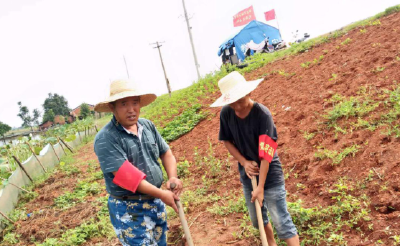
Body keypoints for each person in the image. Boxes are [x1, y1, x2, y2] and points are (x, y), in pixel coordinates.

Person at [210, 71, 300, 246]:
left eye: (239, 99)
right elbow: (226, 141)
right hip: (248, 174)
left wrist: (260, 187)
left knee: (282, 222)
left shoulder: (262, 115)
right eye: (232, 101)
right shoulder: (226, 114)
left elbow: (266, 154)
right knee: (257, 219)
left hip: (269, 173)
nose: (237, 105)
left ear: (248, 93)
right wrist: (243, 162)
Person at [93, 79, 183, 246]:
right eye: (124, 104)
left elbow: (166, 153)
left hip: (155, 201)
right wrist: (162, 194)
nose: (131, 109)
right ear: (113, 107)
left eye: (135, 102)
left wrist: (172, 177)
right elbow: (129, 178)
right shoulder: (106, 138)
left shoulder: (147, 126)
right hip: (129, 209)